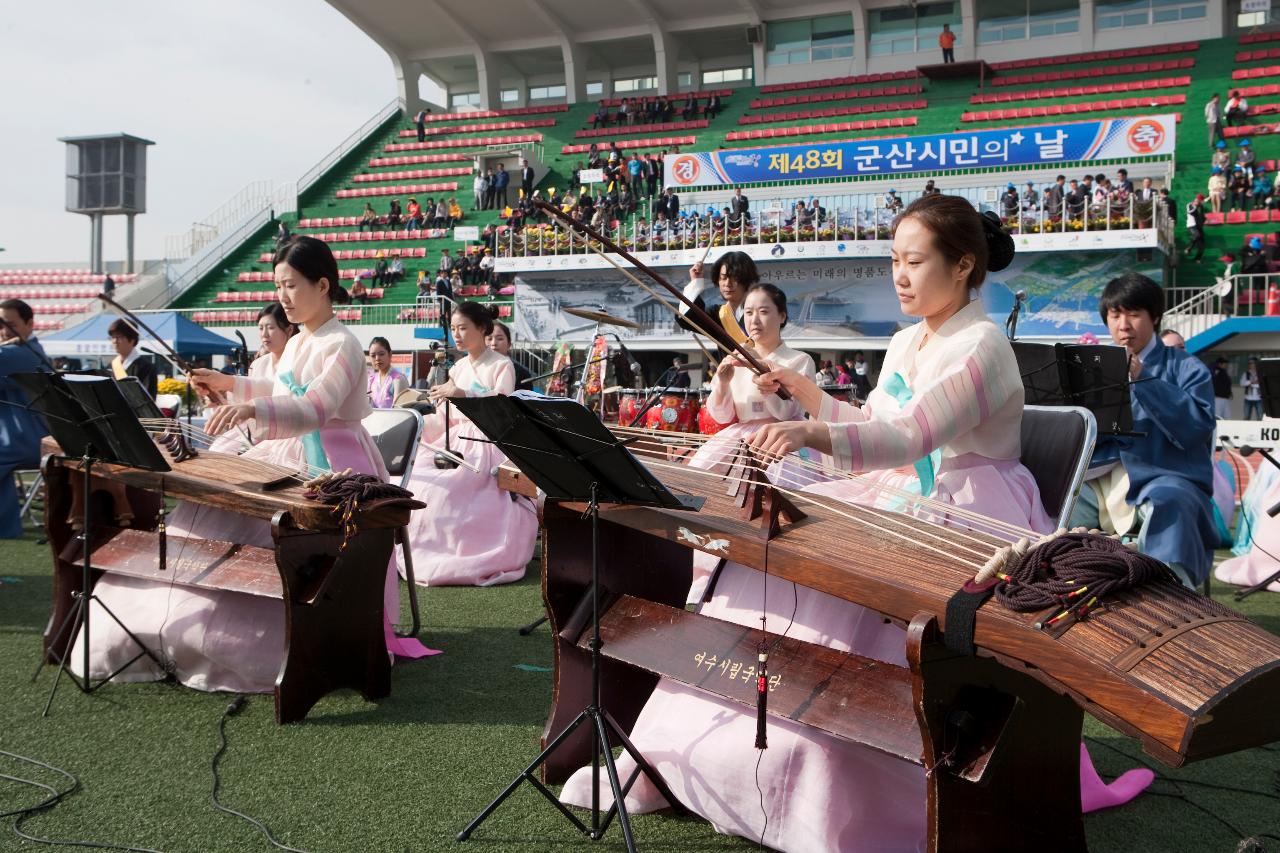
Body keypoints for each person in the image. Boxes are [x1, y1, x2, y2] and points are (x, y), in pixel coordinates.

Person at [563, 195, 1145, 849]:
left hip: (964, 509)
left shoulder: (983, 346)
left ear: (961, 265)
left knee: (839, 588)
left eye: (914, 261)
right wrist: (805, 394)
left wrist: (810, 427)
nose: (899, 274)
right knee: (775, 555)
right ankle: (672, 753)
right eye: (894, 259)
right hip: (894, 489)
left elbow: (908, 438)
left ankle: (817, 778)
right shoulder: (905, 340)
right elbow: (871, 427)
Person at [71, 236, 434, 693]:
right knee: (208, 519)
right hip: (288, 453)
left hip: (337, 465)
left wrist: (252, 411)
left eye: (292, 286)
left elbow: (317, 407)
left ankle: (286, 644)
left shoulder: (342, 343)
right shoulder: (301, 340)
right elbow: (276, 391)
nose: (283, 297)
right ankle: (169, 629)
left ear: (323, 285)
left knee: (281, 541)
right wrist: (229, 383)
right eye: (278, 286)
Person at [1070, 272, 1217, 589]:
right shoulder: (1092, 369)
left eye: (1134, 314)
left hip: (1167, 474)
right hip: (1102, 477)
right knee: (1057, 499)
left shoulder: (1187, 368)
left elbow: (1196, 429)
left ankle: (1170, 590)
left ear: (1155, 318)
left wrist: (1143, 378)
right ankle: (1073, 582)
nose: (1124, 324)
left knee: (1171, 500)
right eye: (1115, 314)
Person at [683, 283, 818, 599]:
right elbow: (721, 412)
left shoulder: (800, 360)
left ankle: (773, 580)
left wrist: (762, 380)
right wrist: (724, 382)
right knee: (699, 477)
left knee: (777, 503)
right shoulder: (739, 356)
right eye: (749, 313)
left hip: (783, 436)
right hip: (739, 437)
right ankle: (707, 574)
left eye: (764, 311)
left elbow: (788, 410)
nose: (755, 320)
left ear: (782, 316)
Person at [403, 302, 537, 586]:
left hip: (486, 442)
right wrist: (417, 425)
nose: (457, 335)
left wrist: (461, 393)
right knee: (418, 480)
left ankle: (473, 552)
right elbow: (445, 417)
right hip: (454, 439)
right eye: (453, 329)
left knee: (455, 489)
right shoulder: (459, 367)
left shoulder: (502, 365)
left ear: (482, 328)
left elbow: (502, 405)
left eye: (463, 328)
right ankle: (431, 551)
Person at [208, 303, 298, 454]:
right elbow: (242, 404)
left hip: (286, 432)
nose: (264, 334)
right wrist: (215, 393)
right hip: (254, 429)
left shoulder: (297, 361)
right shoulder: (258, 364)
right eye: (261, 328)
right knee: (218, 449)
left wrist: (228, 382)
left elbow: (280, 396)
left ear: (289, 330)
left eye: (270, 328)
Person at [0, 299, 51, 539]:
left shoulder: (24, 354)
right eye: (1, 325)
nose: (4, 331)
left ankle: (6, 526)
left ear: (30, 324)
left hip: (31, 438)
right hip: (14, 435)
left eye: (11, 324)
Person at [679, 250, 756, 343]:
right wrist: (696, 282)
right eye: (723, 278)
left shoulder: (763, 311)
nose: (727, 284)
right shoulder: (717, 315)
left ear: (747, 279)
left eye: (734, 278)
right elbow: (686, 320)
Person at [107, 318, 157, 398]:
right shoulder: (111, 366)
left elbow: (148, 399)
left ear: (132, 339)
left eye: (119, 337)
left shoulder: (146, 368)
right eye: (112, 337)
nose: (115, 341)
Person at [486, 321, 533, 389]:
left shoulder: (522, 374)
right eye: (489, 339)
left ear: (509, 344)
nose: (493, 343)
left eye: (499, 338)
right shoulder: (476, 370)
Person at [367, 337, 409, 409]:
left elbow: (399, 411)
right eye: (373, 356)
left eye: (381, 354)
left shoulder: (398, 380)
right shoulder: (371, 380)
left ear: (390, 354)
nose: (377, 358)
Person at [1184, 194, 1206, 261]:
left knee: (1202, 245)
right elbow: (1190, 212)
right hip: (1191, 225)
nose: (1201, 202)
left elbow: (1202, 216)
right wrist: (1195, 206)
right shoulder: (1190, 205)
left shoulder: (1201, 207)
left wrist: (1203, 220)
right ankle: (1188, 248)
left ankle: (1198, 259)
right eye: (1200, 200)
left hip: (1199, 226)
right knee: (1197, 235)